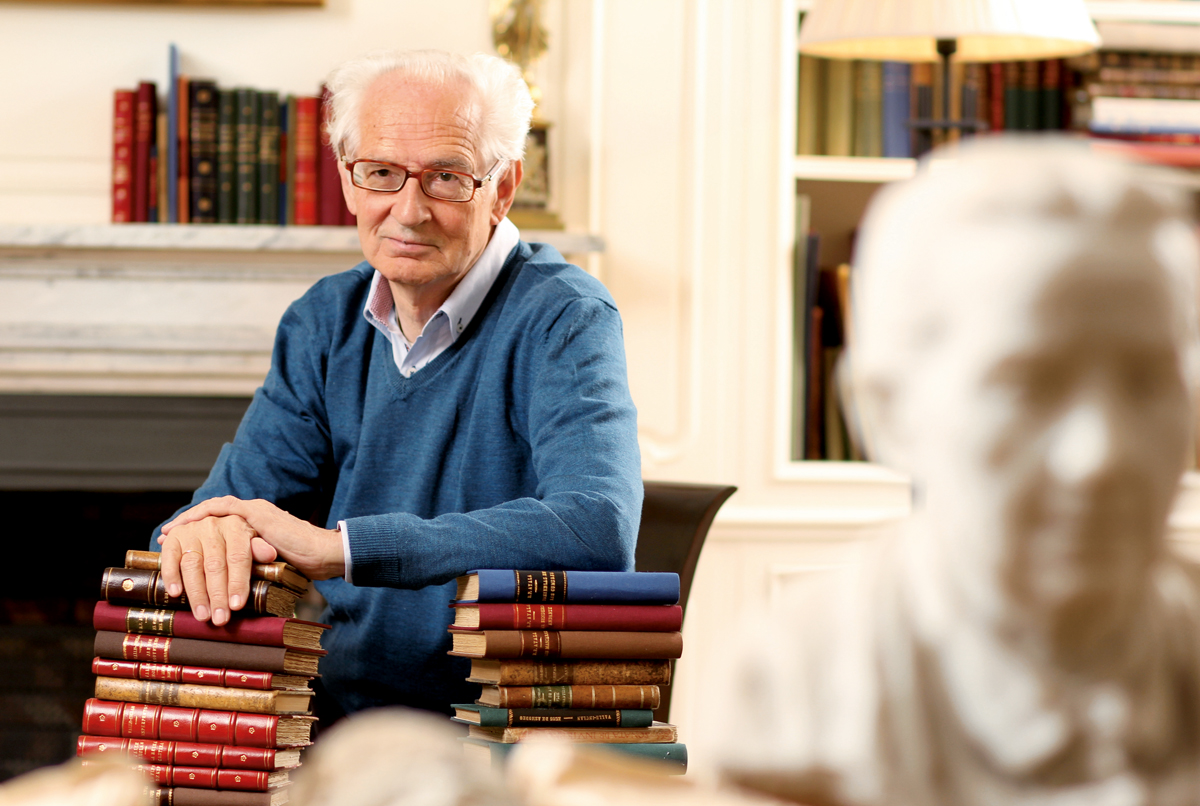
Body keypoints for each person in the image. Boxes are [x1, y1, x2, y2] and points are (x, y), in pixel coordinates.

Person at [149, 49, 643, 718]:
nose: (407, 211)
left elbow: (597, 526)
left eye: (445, 177)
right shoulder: (324, 320)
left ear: (502, 188)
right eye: (381, 173)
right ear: (349, 182)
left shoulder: (565, 315)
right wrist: (199, 538)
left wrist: (343, 550)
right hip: (326, 723)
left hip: (491, 735)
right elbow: (213, 513)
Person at [708, 138, 1200, 805]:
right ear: (888, 410)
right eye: (1032, 386)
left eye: (1146, 382)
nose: (1101, 455)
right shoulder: (800, 682)